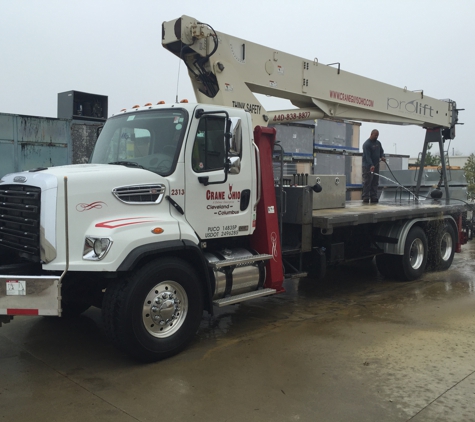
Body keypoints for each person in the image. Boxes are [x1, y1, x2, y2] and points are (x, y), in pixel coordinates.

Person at [362, 129, 386, 204]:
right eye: (375, 135)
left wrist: (382, 156)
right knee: (367, 181)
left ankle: (373, 196)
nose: (376, 137)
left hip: (376, 165)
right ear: (371, 134)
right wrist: (371, 165)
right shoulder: (366, 144)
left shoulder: (378, 143)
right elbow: (367, 156)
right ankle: (365, 196)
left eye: (377, 135)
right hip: (368, 166)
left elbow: (381, 152)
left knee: (375, 181)